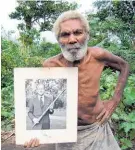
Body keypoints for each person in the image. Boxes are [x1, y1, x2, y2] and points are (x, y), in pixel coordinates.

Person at [24, 10, 129, 149]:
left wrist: (115, 100)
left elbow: (124, 65)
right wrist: (34, 135)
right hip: (65, 134)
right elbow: (41, 100)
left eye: (78, 32)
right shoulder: (50, 65)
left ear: (87, 35)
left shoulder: (98, 56)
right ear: (58, 39)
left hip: (96, 127)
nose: (72, 39)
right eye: (65, 34)